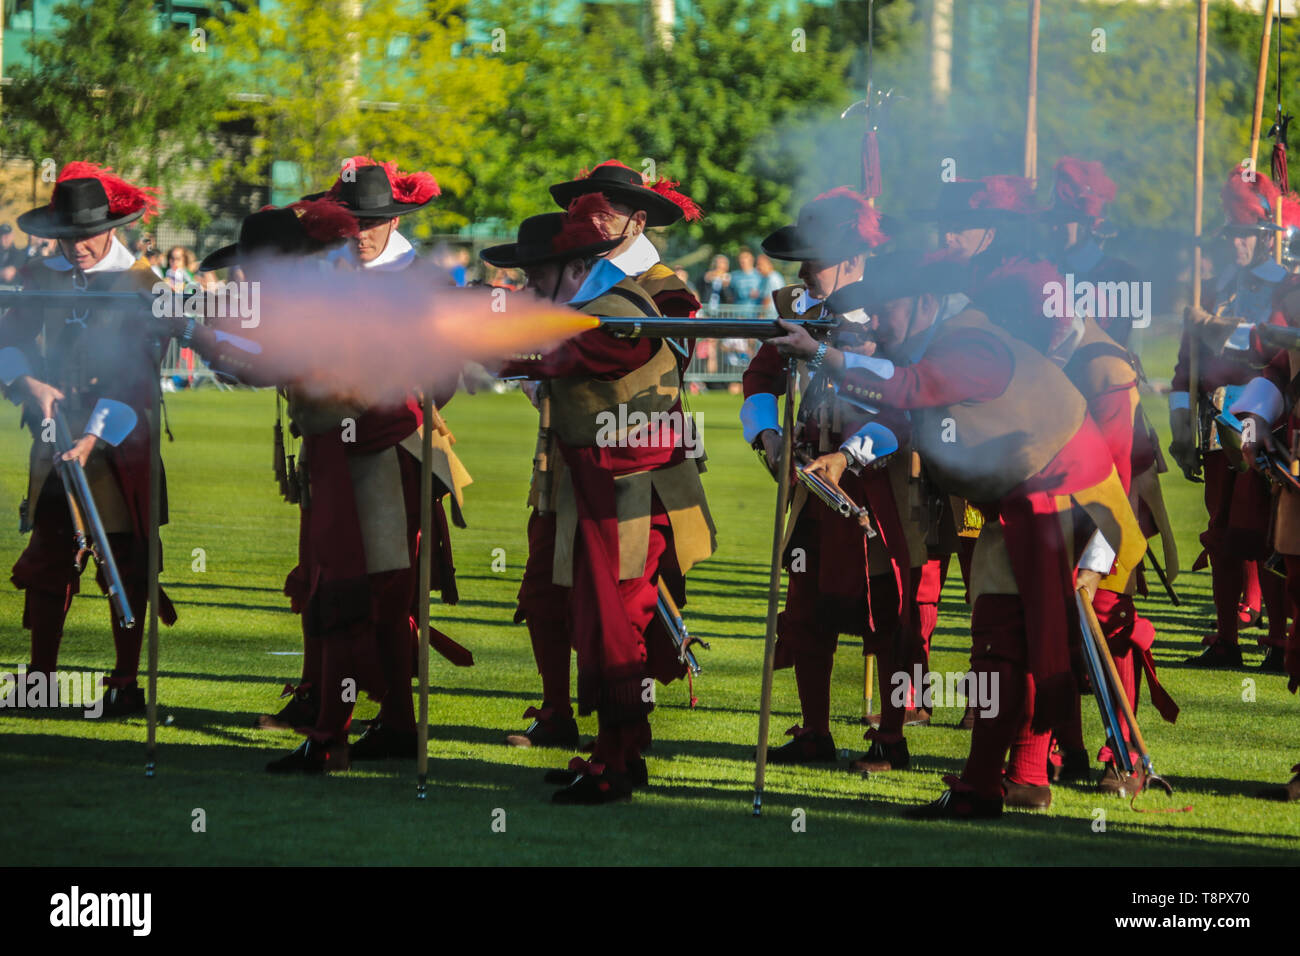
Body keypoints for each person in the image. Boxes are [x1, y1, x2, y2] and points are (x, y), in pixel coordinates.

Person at [771, 253, 1145, 817]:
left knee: (1041, 643)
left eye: (886, 308)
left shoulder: (970, 344)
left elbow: (910, 388)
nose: (875, 320)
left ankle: (1041, 773)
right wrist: (847, 451)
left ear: (925, 302)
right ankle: (1013, 779)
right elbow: (903, 404)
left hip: (1069, 506)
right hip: (1021, 504)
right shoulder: (946, 342)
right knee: (1002, 646)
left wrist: (821, 353)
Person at [489, 200, 716, 802]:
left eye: (538, 276)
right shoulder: (597, 306)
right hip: (605, 481)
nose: (532, 287)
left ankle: (615, 761)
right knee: (599, 614)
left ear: (571, 267)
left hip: (632, 486)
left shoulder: (616, 309)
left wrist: (492, 343)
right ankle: (623, 749)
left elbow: (568, 354)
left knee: (615, 620)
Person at [971, 258, 1178, 795]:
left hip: (1106, 517)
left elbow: (1113, 484)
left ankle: (1125, 759)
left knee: (1109, 627)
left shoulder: (1105, 372)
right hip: (1044, 513)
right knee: (1039, 628)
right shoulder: (1038, 348)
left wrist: (1092, 566)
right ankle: (1032, 771)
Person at [742, 187, 926, 772]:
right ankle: (814, 732)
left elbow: (905, 404)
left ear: (850, 256)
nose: (802, 272)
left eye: (813, 259)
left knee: (888, 616)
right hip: (812, 490)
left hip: (878, 487)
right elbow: (758, 378)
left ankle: (891, 739)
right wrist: (767, 436)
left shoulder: (895, 315)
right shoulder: (801, 310)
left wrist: (848, 456)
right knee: (807, 613)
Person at [0, 162, 174, 717]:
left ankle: (125, 684)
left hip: (122, 433)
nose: (75, 245)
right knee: (51, 556)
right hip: (54, 431)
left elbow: (142, 369)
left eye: (86, 234)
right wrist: (28, 383)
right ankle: (41, 682)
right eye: (67, 235)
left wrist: (94, 434)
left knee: (126, 559)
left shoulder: (143, 282)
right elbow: (10, 340)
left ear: (112, 228)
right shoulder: (37, 276)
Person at [1171, 171, 1294, 671]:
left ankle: (1279, 641)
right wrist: (1180, 423)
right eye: (1233, 235)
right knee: (1221, 534)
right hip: (1216, 422)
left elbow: (1275, 347)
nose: (1237, 244)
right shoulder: (1212, 286)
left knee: (1271, 537)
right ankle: (1226, 639)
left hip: (1268, 423)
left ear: (1267, 237)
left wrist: (1219, 328)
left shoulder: (1289, 289)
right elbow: (1185, 365)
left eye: (1245, 235)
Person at [730, 248, 762, 315]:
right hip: (738, 315)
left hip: (755, 315)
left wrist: (759, 293)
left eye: (745, 258)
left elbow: (766, 293)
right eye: (741, 258)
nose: (743, 260)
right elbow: (729, 294)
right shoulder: (734, 275)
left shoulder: (760, 275)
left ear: (752, 260)